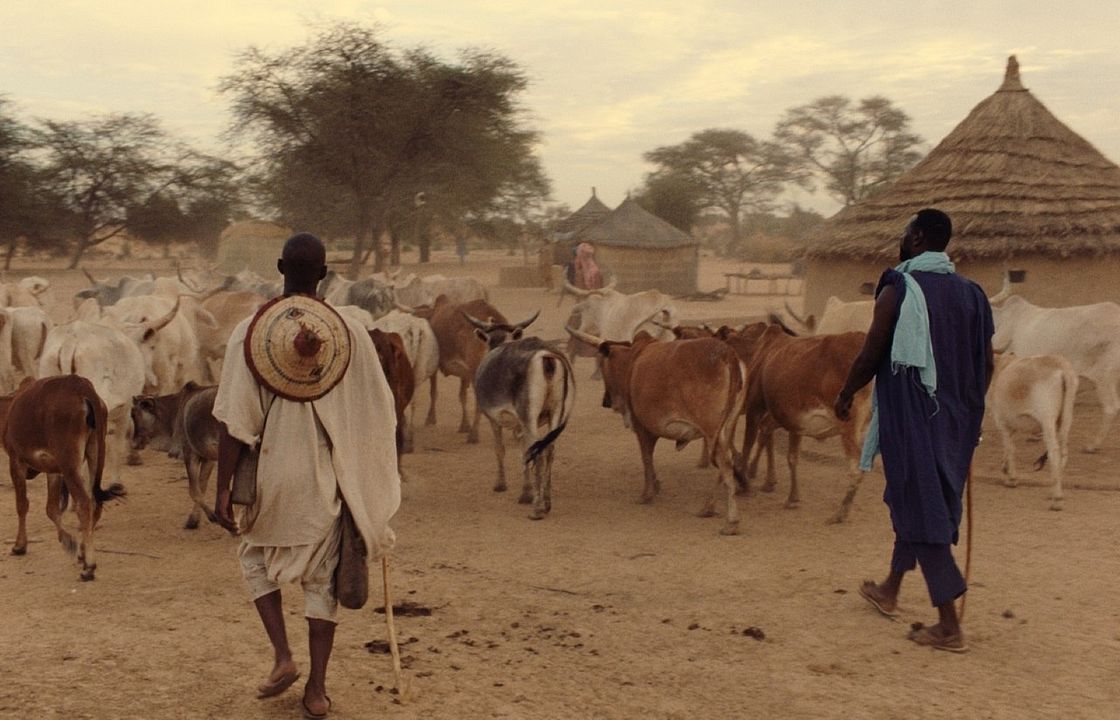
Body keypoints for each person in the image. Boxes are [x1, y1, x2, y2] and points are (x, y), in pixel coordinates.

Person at [213, 233, 400, 718]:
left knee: (255, 561)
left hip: (273, 476)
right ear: (324, 274)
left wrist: (221, 492)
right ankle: (316, 690)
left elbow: (234, 421)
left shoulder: (250, 332)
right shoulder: (352, 332)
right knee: (322, 583)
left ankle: (281, 656)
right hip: (327, 481)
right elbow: (379, 412)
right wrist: (366, 482)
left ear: (279, 267)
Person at [834, 209, 993, 653]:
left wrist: (846, 392)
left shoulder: (899, 288)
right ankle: (890, 588)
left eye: (906, 232)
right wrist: (969, 414)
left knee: (922, 511)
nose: (901, 239)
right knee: (919, 500)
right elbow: (987, 364)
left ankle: (949, 627)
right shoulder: (973, 294)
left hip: (912, 418)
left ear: (919, 237)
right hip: (956, 420)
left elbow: (871, 352)